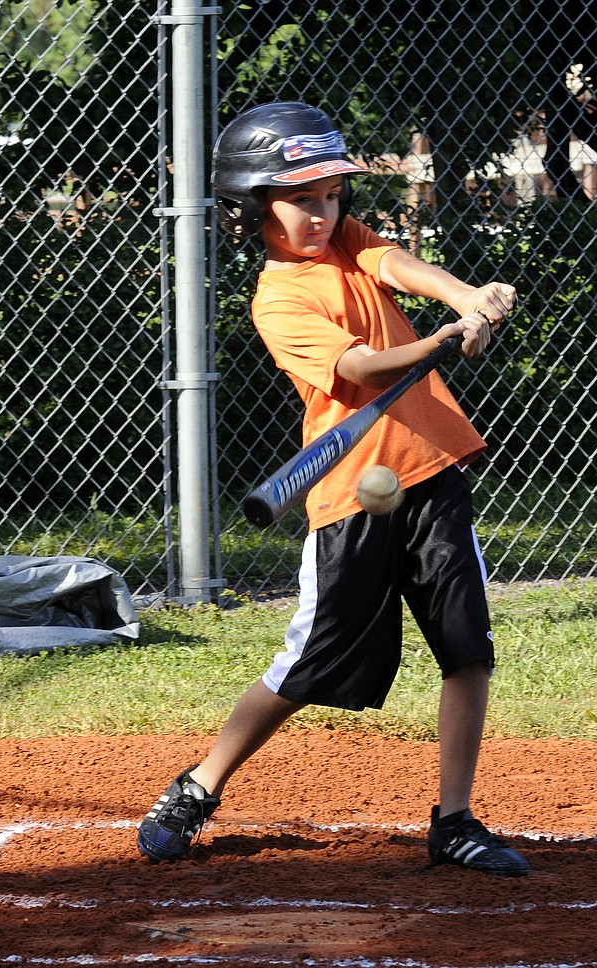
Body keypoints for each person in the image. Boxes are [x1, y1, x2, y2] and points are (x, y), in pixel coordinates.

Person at [137, 101, 527, 878]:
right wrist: (436, 343)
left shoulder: (344, 240)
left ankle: (454, 820)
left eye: (330, 195)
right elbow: (357, 369)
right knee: (308, 662)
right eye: (299, 198)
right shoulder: (279, 299)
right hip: (352, 494)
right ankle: (198, 784)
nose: (321, 212)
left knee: (467, 649)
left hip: (430, 469)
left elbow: (394, 264)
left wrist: (462, 299)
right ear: (253, 207)